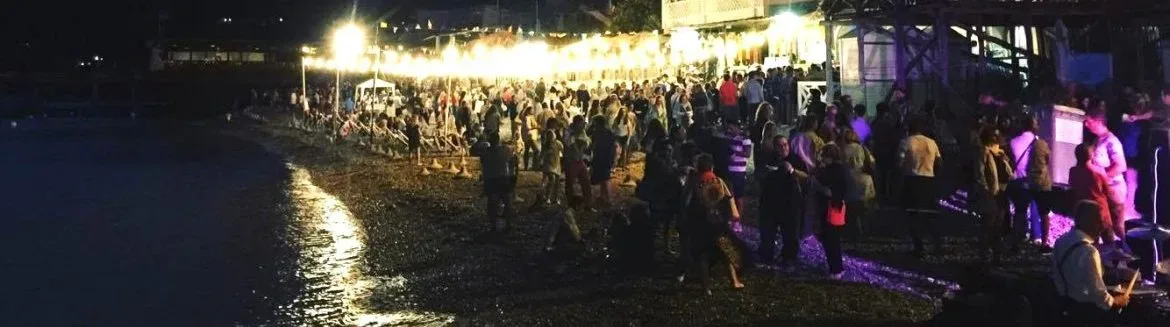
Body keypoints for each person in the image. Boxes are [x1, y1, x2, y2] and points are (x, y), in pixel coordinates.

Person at [1051, 201, 1132, 326]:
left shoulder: (1061, 241)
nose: (1102, 226)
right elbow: (1097, 292)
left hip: (1067, 307)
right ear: (1085, 221)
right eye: (1099, 221)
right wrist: (1115, 301)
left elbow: (1057, 277)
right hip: (1087, 315)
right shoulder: (1089, 251)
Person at [679, 153, 745, 293]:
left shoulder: (694, 182)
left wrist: (684, 218)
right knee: (726, 251)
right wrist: (734, 215)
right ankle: (734, 281)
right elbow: (729, 198)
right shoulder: (718, 181)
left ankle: (706, 287)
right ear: (712, 167)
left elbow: (685, 202)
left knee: (703, 255)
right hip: (719, 223)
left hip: (700, 223)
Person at [1083, 108, 1130, 250]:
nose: (1086, 124)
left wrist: (1101, 176)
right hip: (1103, 191)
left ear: (1098, 121)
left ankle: (1129, 255)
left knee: (1117, 227)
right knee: (1104, 226)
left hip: (1114, 191)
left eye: (1088, 121)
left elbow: (1121, 166)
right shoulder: (1098, 140)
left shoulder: (1112, 141)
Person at [1007, 116, 1053, 247]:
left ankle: (1018, 239)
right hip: (1035, 179)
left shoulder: (1013, 142)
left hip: (1019, 180)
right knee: (1039, 209)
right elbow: (1047, 160)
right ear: (1034, 126)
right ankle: (1038, 238)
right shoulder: (1039, 142)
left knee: (1020, 211)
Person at [900, 117, 943, 257]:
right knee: (929, 213)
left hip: (912, 179)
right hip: (929, 179)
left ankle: (919, 246)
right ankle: (936, 244)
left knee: (913, 214)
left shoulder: (906, 142)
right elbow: (939, 162)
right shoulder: (932, 143)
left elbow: (899, 162)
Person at [973, 127, 1014, 262]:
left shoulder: (1001, 154)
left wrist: (1005, 160)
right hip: (990, 192)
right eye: (993, 137)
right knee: (988, 223)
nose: (996, 140)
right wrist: (985, 189)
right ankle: (984, 254)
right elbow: (980, 173)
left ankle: (996, 255)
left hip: (1002, 192)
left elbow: (1010, 174)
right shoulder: (983, 152)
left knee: (998, 225)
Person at [816, 144, 850, 279]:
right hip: (837, 206)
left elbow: (828, 190)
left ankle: (836, 269)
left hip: (832, 207)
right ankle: (835, 267)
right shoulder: (840, 169)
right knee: (833, 239)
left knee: (832, 240)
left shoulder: (832, 171)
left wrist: (818, 185)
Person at [1069, 141, 1114, 241]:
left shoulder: (1073, 171)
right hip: (1100, 211)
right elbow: (1108, 191)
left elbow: (1073, 187)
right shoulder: (1098, 171)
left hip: (1084, 212)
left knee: (1090, 242)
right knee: (1109, 242)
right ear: (1091, 155)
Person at [475, 133, 519, 232]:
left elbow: (483, 164)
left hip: (491, 179)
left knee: (492, 203)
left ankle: (493, 225)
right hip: (504, 178)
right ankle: (508, 224)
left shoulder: (486, 152)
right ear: (498, 140)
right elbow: (514, 162)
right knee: (507, 202)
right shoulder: (506, 150)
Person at [726, 121, 752, 228]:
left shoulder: (744, 139)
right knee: (730, 196)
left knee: (739, 196)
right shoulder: (728, 139)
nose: (729, 130)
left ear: (737, 127)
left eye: (731, 128)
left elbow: (747, 153)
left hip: (739, 171)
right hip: (729, 171)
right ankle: (731, 218)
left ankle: (738, 220)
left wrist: (735, 153)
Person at [589, 115, 617, 208]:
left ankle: (608, 198)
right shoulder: (608, 132)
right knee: (603, 178)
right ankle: (603, 196)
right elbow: (613, 147)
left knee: (605, 178)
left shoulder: (599, 133)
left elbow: (594, 145)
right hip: (606, 157)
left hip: (601, 157)